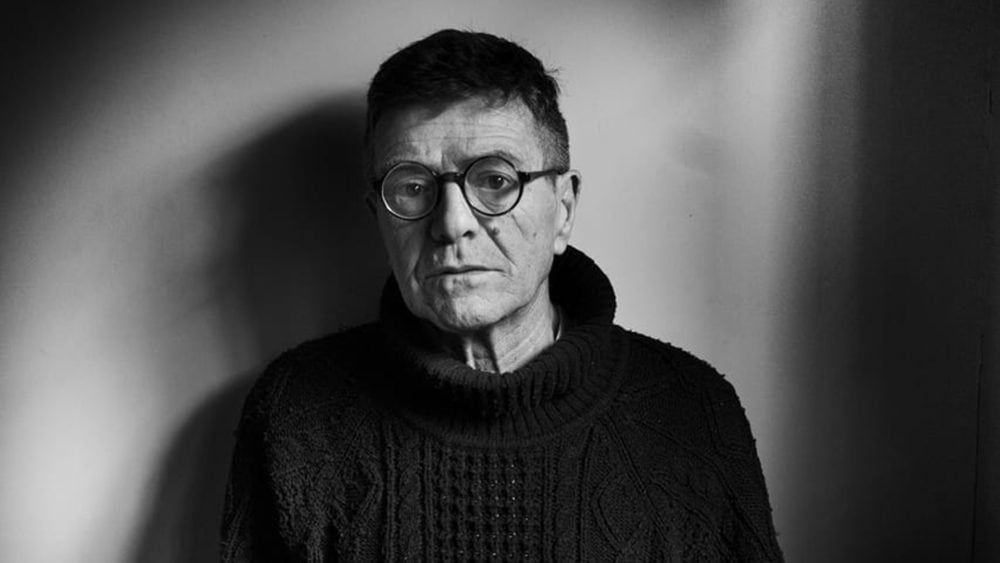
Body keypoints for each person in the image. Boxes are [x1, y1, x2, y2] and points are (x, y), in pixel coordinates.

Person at [221, 29, 782, 561]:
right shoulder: (295, 416)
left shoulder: (691, 411)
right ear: (379, 218)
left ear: (563, 210)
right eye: (412, 187)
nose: (452, 224)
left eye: (495, 180)